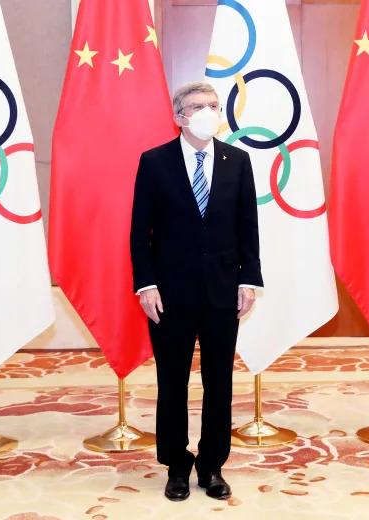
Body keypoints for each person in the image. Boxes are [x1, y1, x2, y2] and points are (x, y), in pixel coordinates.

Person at [130, 82, 262, 502]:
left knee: (218, 381)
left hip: (223, 289)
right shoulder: (155, 162)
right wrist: (145, 283)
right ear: (179, 116)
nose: (207, 112)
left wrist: (249, 279)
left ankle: (212, 465)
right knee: (172, 381)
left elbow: (248, 227)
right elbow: (139, 232)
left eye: (213, 105)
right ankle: (175, 465)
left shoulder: (237, 160)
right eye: (197, 106)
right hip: (169, 291)